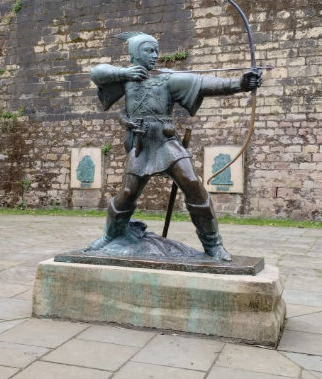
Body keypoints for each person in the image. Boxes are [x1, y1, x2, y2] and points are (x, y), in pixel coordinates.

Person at [87, 31, 262, 260]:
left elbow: (204, 83)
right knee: (128, 192)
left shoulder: (167, 78)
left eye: (156, 51)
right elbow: (96, 72)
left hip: (166, 141)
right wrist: (125, 73)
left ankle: (214, 245)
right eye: (148, 50)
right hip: (140, 143)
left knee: (191, 183)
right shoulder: (127, 78)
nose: (155, 55)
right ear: (134, 55)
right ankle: (110, 236)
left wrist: (239, 83)